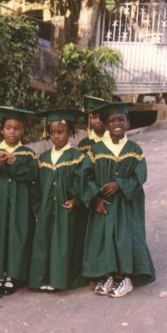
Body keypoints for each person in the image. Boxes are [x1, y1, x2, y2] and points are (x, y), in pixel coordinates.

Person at [81, 102, 155, 298]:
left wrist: (120, 184)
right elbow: (85, 176)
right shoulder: (96, 150)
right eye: (112, 120)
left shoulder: (134, 149)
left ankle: (126, 277)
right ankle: (108, 274)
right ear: (105, 125)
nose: (117, 123)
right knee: (105, 238)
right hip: (103, 203)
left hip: (126, 204)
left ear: (128, 123)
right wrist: (95, 197)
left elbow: (140, 175)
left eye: (121, 119)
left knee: (125, 238)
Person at [28, 109, 88, 291]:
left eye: (60, 132)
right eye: (52, 133)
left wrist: (75, 200)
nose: (55, 137)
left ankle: (58, 280)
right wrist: (36, 205)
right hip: (46, 207)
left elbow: (81, 182)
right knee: (44, 242)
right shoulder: (43, 158)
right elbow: (36, 184)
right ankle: (41, 279)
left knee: (62, 243)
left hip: (64, 207)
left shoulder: (77, 157)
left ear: (70, 132)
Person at [0, 106, 38, 295]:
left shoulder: (28, 154)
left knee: (17, 235)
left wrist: (17, 164)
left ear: (22, 130)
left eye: (16, 128)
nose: (12, 132)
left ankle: (14, 275)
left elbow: (33, 175)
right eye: (8, 127)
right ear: (1, 130)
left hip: (19, 203)